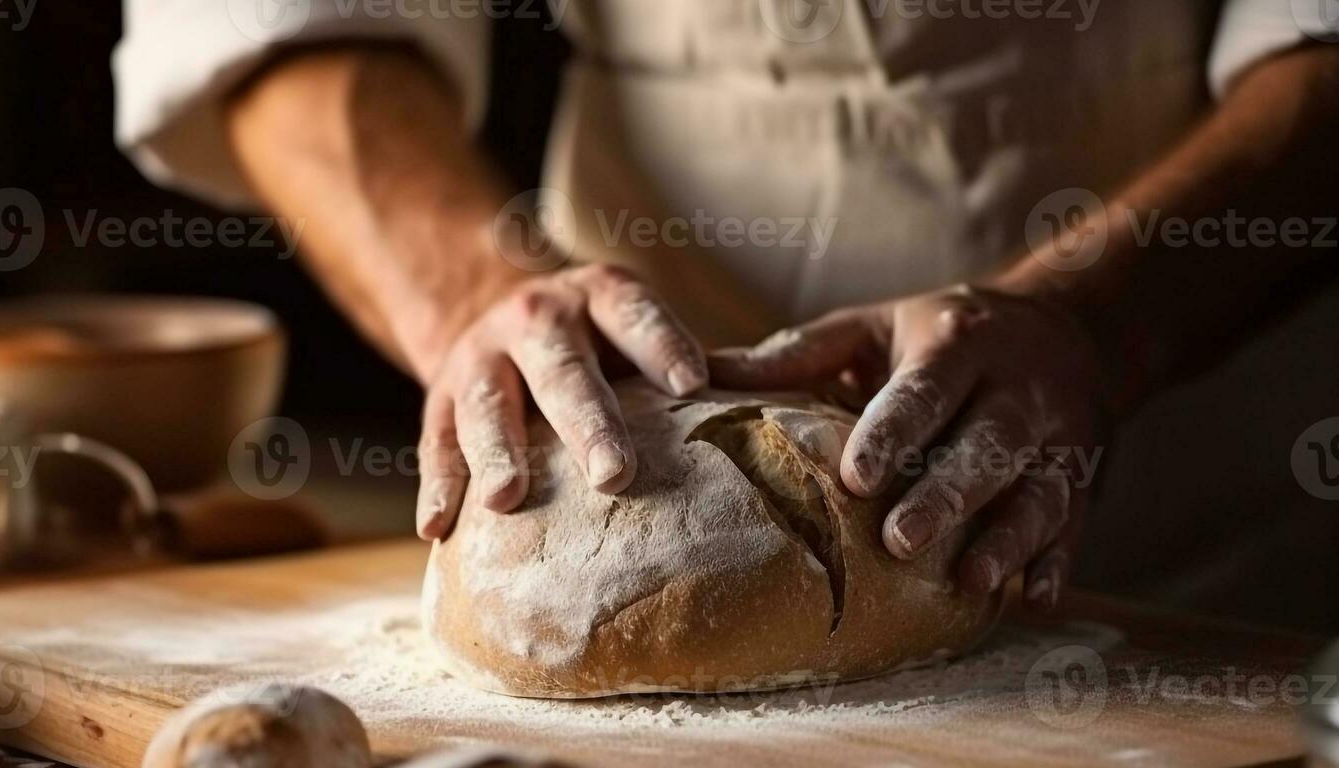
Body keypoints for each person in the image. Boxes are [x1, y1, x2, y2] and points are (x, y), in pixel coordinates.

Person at [115, 1, 1339, 623]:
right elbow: (283, 27)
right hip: (600, 452)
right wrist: (480, 296)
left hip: (1185, 497)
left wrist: (1089, 321)